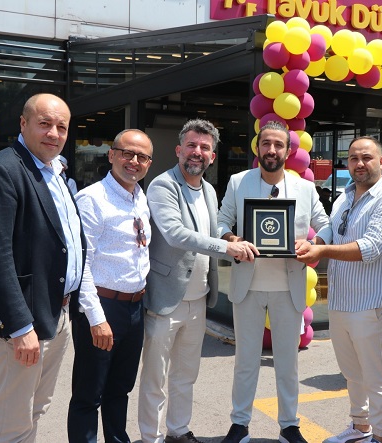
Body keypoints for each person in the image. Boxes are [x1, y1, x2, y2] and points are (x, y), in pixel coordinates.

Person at [0, 93, 85, 443]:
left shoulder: (56, 172)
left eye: (61, 126)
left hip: (56, 315)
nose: (54, 133)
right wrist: (20, 326)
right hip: (23, 324)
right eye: (45, 123)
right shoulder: (3, 170)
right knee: (11, 422)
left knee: (35, 410)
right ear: (23, 123)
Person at [139, 119, 258, 443]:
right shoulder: (162, 186)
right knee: (155, 377)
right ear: (179, 149)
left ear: (212, 156)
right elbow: (175, 234)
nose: (197, 152)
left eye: (205, 147)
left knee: (186, 374)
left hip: (199, 298)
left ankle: (178, 430)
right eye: (191, 145)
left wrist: (232, 238)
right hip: (166, 298)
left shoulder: (208, 189)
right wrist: (226, 247)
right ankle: (151, 437)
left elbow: (211, 230)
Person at [217, 121, 330, 443]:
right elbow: (221, 221)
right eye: (266, 143)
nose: (271, 150)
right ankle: (239, 424)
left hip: (289, 288)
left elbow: (325, 223)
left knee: (287, 362)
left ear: (288, 151)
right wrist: (233, 239)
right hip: (248, 286)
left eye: (278, 145)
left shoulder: (305, 188)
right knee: (245, 361)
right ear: (257, 147)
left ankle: (289, 425)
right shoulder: (239, 182)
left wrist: (314, 243)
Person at [295, 137, 382, 443]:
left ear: (381, 162)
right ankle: (360, 428)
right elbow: (332, 229)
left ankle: (381, 437)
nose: (360, 163)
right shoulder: (343, 197)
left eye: (367, 158)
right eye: (354, 158)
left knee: (377, 376)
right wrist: (315, 242)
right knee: (352, 374)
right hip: (341, 301)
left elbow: (371, 247)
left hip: (371, 304)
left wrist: (322, 251)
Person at [67, 129, 153, 443]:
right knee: (89, 394)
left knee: (120, 389)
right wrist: (96, 318)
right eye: (127, 153)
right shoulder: (92, 199)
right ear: (112, 155)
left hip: (134, 307)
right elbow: (82, 264)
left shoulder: (140, 197)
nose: (134, 161)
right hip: (102, 308)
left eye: (142, 156)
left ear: (149, 163)